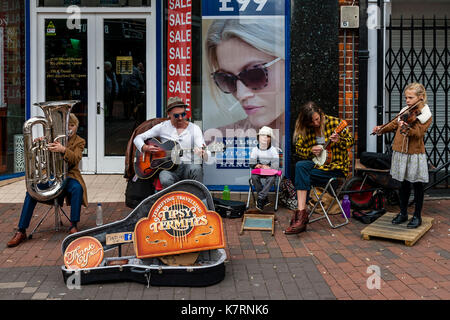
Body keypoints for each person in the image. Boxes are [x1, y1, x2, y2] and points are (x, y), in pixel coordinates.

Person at [7, 114, 88, 247]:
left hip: (69, 176)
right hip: (51, 176)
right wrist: (39, 145)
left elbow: (76, 158)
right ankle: (21, 231)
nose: (69, 128)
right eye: (66, 125)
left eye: (72, 125)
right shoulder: (51, 138)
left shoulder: (79, 141)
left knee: (77, 188)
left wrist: (63, 150)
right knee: (32, 191)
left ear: (76, 127)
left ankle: (74, 225)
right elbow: (40, 158)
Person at [204, 18, 285, 141]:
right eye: (226, 79)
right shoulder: (217, 142)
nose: (241, 94)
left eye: (254, 75)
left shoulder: (322, 138)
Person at [284, 102, 354, 235]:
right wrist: (310, 150)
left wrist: (339, 140)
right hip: (318, 165)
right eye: (311, 122)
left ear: (321, 113)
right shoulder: (305, 129)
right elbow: (299, 150)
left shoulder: (335, 123)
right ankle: (302, 213)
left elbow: (351, 142)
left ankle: (300, 216)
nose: (315, 123)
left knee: (301, 176)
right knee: (300, 166)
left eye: (317, 119)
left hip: (335, 167)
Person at [372, 83, 432, 228]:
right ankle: (403, 213)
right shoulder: (406, 110)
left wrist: (406, 128)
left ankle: (417, 216)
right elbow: (394, 124)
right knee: (403, 184)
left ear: (421, 97)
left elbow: (418, 133)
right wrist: (381, 129)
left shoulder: (425, 115)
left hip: (414, 153)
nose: (407, 100)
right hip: (400, 151)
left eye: (410, 97)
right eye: (406, 97)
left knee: (417, 185)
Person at [133, 96, 210, 188]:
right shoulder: (162, 127)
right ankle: (173, 201)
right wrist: (145, 147)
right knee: (164, 178)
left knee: (196, 168)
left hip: (188, 165)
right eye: (176, 115)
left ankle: (197, 199)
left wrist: (203, 153)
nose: (181, 118)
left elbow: (205, 152)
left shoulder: (194, 128)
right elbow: (137, 138)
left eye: (183, 114)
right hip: (169, 168)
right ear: (169, 114)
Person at [249, 126, 280, 211]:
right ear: (258, 138)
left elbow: (276, 165)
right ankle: (263, 198)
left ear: (270, 139)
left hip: (270, 172)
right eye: (262, 136)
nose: (265, 138)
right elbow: (251, 163)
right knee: (254, 177)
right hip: (259, 171)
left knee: (272, 178)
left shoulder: (273, 150)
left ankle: (261, 198)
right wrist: (255, 165)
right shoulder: (255, 149)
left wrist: (269, 167)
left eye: (267, 136)